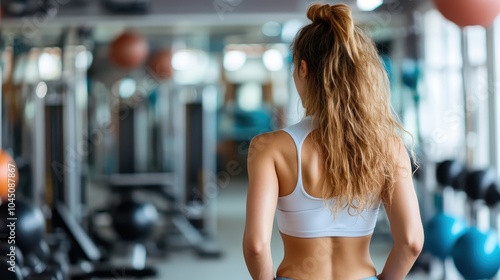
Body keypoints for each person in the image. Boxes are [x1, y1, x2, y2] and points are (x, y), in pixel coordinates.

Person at [242, 3, 424, 280]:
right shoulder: (389, 146)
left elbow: (257, 246)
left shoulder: (269, 148)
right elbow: (411, 242)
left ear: (303, 69)